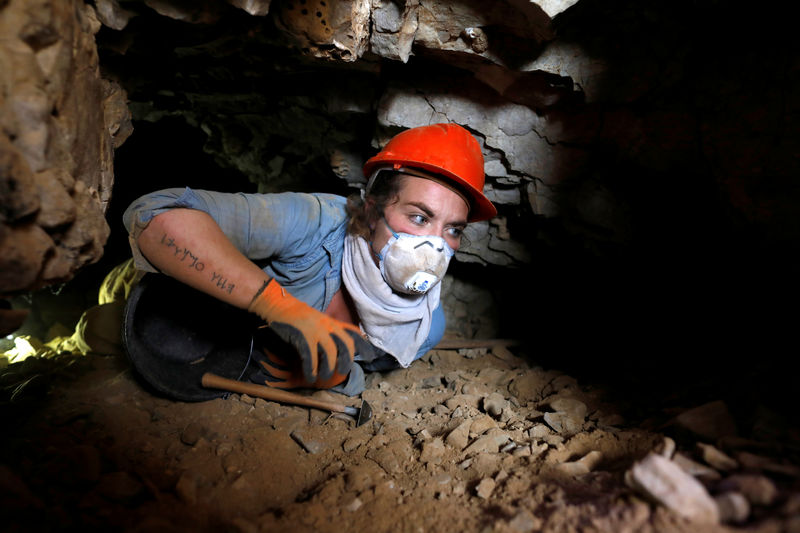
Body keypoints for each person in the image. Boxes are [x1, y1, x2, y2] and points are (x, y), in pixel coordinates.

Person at [122, 123, 497, 396]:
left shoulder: (424, 328)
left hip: (222, 353)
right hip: (173, 291)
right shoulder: (315, 223)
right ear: (370, 212)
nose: (434, 246)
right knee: (111, 330)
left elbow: (365, 368)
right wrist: (280, 306)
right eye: (419, 217)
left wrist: (337, 376)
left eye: (453, 230)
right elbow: (154, 213)